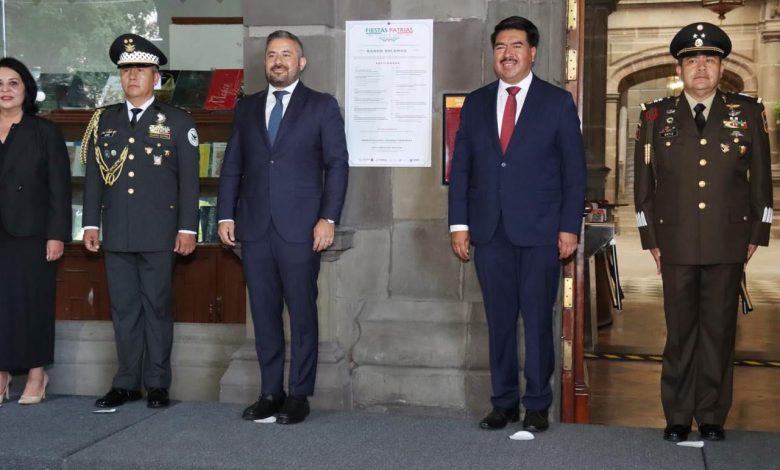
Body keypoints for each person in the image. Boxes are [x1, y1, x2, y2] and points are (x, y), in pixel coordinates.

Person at [634, 22, 772, 443]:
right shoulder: (655, 114)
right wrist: (650, 239)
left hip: (728, 240)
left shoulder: (747, 113)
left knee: (719, 332)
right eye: (692, 60)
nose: (701, 67)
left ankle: (711, 415)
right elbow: (643, 184)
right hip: (674, 242)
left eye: (709, 59)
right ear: (679, 68)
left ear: (722, 67)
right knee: (679, 334)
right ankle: (678, 415)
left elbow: (761, 180)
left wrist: (757, 232)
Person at [448, 16, 586, 431]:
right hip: (489, 232)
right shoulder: (476, 103)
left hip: (541, 233)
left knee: (539, 320)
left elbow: (574, 172)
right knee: (499, 321)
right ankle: (504, 402)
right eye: (500, 47)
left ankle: (537, 404)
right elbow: (462, 169)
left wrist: (569, 227)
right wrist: (458, 224)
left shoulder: (556, 102)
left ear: (533, 52)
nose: (507, 54)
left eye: (516, 46)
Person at [217, 30, 349, 425]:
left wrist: (328, 218)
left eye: (287, 54)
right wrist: (225, 215)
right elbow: (233, 165)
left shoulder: (322, 105)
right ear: (265, 62)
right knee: (263, 313)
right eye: (272, 54)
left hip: (302, 228)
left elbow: (337, 165)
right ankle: (270, 392)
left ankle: (299, 395)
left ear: (301, 62)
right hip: (255, 228)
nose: (278, 61)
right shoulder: (247, 107)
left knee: (302, 313)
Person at [82, 34, 199, 409]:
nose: (132, 76)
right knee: (124, 309)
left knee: (157, 307)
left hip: (160, 232)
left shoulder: (177, 121)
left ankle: (158, 383)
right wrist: (90, 223)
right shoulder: (105, 120)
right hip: (117, 231)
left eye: (141, 69)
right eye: (126, 69)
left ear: (156, 77)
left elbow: (189, 181)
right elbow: (94, 178)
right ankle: (127, 382)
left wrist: (187, 228)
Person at [0, 57, 71, 405]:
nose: (5, 90)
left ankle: (36, 374)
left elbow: (60, 188)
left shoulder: (44, 132)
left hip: (31, 232)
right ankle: (1, 373)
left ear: (26, 89)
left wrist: (57, 234)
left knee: (33, 304)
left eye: (13, 83)